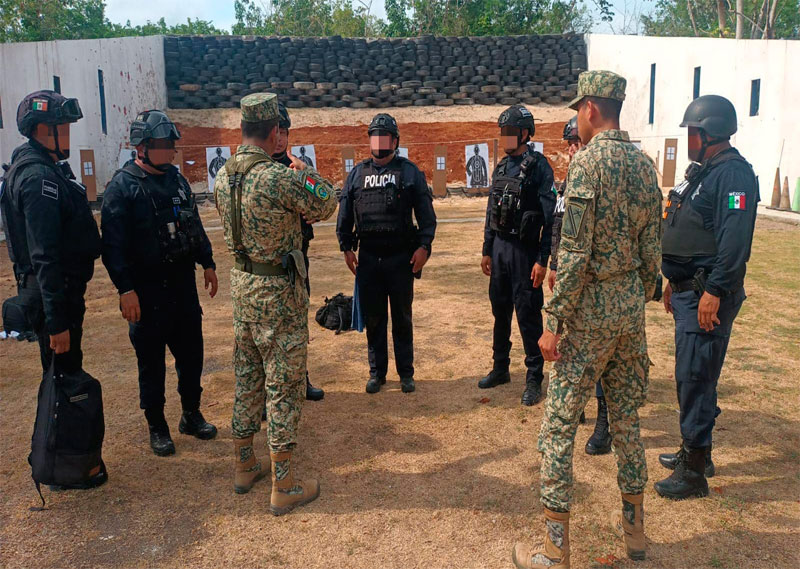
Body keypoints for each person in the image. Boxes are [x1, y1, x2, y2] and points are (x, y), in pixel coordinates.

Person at [512, 71, 662, 569]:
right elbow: (650, 255)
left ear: (591, 110)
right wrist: (630, 298)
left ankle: (555, 550)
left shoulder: (587, 165)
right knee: (626, 424)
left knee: (557, 427)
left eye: (578, 109)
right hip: (627, 314)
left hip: (590, 315)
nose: (578, 117)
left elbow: (572, 253)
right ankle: (636, 541)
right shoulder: (643, 165)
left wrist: (552, 322)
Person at [214, 93, 337, 514]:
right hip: (277, 295)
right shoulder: (274, 177)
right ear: (273, 132)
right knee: (282, 385)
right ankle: (283, 485)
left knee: (247, 375)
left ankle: (245, 465)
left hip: (243, 289)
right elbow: (326, 200)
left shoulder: (222, 176)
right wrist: (306, 170)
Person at [0, 90, 105, 488]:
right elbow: (44, 256)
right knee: (63, 381)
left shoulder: (44, 167)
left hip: (60, 295)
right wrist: (58, 321)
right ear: (44, 129)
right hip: (54, 298)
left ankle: (69, 458)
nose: (68, 133)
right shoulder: (38, 177)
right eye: (63, 126)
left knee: (63, 378)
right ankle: (66, 465)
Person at [654, 95, 758, 500]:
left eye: (692, 132)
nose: (688, 138)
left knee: (695, 378)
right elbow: (688, 227)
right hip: (688, 291)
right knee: (691, 377)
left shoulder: (733, 176)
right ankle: (698, 452)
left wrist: (714, 289)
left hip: (707, 295)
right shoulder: (704, 172)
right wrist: (672, 280)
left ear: (709, 132)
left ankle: (694, 473)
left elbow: (734, 242)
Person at [101, 110, 219, 457]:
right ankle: (157, 425)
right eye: (163, 145)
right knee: (151, 364)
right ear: (142, 147)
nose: (170, 151)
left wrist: (208, 262)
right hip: (146, 291)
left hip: (182, 286)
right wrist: (125, 289)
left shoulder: (178, 181)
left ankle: (191, 415)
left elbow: (193, 224)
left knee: (191, 356)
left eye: (171, 145)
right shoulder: (121, 188)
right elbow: (113, 247)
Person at [336, 113, 437, 394]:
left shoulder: (409, 173)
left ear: (395, 141)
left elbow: (427, 217)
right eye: (374, 135)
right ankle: (376, 373)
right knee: (374, 318)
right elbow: (344, 215)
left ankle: (406, 373)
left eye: (385, 135)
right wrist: (346, 247)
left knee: (402, 318)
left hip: (400, 259)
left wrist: (424, 247)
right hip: (368, 258)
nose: (379, 141)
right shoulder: (357, 174)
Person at [479, 105, 555, 407]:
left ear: (525, 133)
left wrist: (542, 259)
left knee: (527, 314)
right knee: (500, 311)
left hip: (525, 253)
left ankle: (534, 377)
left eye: (510, 132)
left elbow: (550, 219)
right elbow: (490, 212)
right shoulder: (500, 167)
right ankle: (500, 368)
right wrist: (487, 249)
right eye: (503, 133)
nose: (506, 137)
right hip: (499, 249)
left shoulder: (538, 166)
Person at [550, 116, 615, 443]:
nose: (572, 150)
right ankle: (576, 408)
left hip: (593, 284)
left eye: (576, 143)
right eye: (570, 145)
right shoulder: (569, 180)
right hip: (567, 278)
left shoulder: (600, 180)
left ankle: (605, 420)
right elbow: (558, 225)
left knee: (598, 355)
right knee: (571, 349)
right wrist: (552, 264)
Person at [271, 102, 324, 401]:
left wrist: (313, 210)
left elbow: (323, 198)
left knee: (297, 326)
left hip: (298, 262)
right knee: (268, 332)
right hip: (268, 266)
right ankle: (269, 391)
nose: (280, 138)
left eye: (285, 132)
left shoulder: (298, 168)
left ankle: (299, 379)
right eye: (276, 132)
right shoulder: (257, 171)